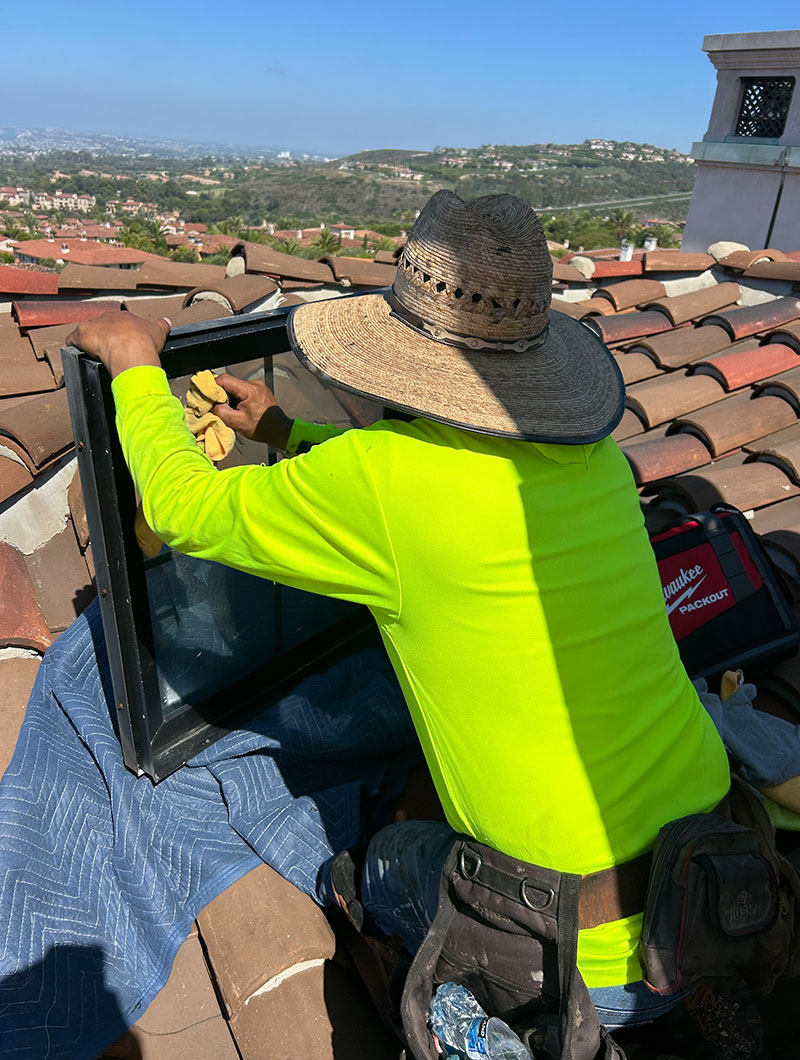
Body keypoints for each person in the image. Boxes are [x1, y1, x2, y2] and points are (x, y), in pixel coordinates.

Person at [67, 191, 730, 1035]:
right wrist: (285, 428)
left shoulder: (386, 483)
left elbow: (180, 505)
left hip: (586, 966)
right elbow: (431, 490)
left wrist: (133, 366)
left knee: (383, 865)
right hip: (713, 877)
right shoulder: (593, 462)